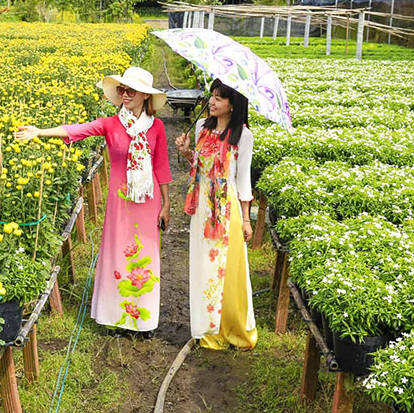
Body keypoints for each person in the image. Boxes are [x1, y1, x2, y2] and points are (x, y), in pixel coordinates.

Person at [14, 67, 172, 333]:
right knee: (116, 252)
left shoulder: (156, 127)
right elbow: (78, 130)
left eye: (130, 90)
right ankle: (114, 317)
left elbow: (162, 166)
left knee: (145, 255)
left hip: (148, 200)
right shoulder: (111, 124)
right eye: (121, 89)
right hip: (120, 200)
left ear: (145, 95)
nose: (124, 94)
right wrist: (40, 132)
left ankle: (142, 320)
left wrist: (167, 204)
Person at [174, 78, 257, 350]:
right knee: (203, 267)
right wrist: (186, 151)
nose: (212, 102)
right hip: (202, 209)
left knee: (229, 270)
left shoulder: (243, 136)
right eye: (211, 96)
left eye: (219, 98)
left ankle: (232, 328)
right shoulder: (201, 127)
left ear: (233, 105)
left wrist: (246, 219)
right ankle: (208, 328)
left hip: (227, 208)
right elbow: (199, 165)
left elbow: (243, 181)